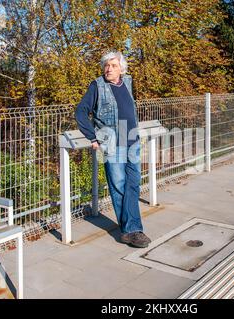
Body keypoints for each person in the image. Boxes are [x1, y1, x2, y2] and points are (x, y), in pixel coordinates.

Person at [75, 51, 151, 248]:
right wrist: (92, 137)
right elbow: (81, 112)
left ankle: (131, 228)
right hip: (112, 142)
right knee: (119, 185)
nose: (108, 69)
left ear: (121, 69)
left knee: (133, 184)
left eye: (113, 65)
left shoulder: (127, 82)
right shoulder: (97, 86)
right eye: (106, 65)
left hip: (132, 139)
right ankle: (131, 231)